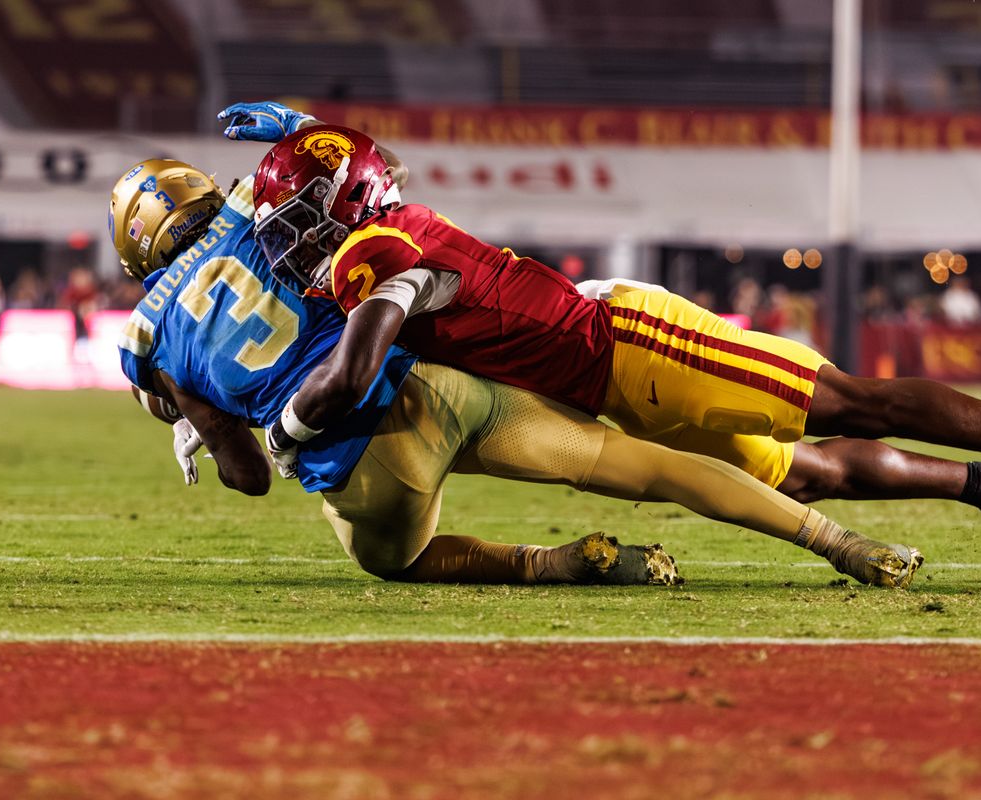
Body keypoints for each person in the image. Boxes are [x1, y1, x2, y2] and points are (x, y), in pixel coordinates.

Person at [244, 120, 981, 575]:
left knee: (851, 400)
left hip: (636, 345)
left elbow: (356, 366)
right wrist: (293, 138)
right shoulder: (388, 219)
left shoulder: (377, 248)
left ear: (342, 208)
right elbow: (350, 173)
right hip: (611, 379)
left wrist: (283, 427)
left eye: (295, 217)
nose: (288, 237)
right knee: (796, 474)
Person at [110, 157, 924, 589]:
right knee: (656, 467)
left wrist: (205, 415)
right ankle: (837, 541)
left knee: (389, 561)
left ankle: (545, 564)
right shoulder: (257, 209)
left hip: (365, 461)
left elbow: (248, 477)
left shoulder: (152, 336)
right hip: (441, 387)